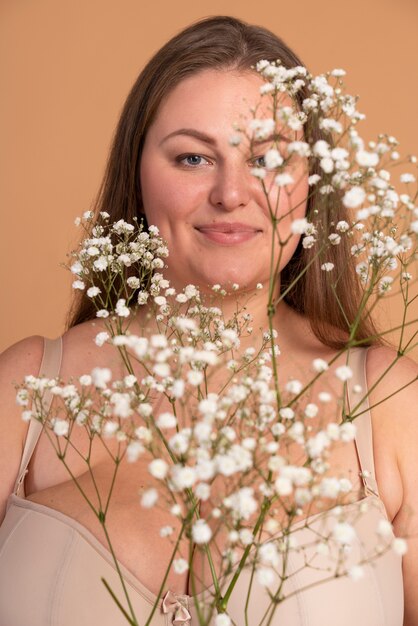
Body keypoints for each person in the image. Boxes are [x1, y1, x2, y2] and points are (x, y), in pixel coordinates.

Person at [0, 15, 417, 626]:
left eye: (269, 158)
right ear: (137, 174)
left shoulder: (389, 404)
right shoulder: (27, 390)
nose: (230, 192)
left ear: (312, 181)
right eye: (193, 157)